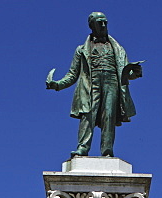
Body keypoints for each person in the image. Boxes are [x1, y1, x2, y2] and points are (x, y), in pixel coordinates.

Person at [46, 12, 143, 158]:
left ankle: (107, 150)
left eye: (105, 22)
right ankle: (83, 148)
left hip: (112, 83)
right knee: (88, 115)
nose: (104, 26)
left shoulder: (118, 48)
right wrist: (57, 84)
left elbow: (125, 73)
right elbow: (73, 74)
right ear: (92, 26)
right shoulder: (81, 49)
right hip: (91, 83)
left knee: (109, 116)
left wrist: (135, 72)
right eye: (100, 23)